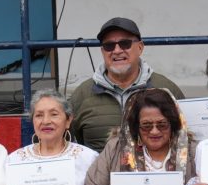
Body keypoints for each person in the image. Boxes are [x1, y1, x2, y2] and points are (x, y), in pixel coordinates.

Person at [70, 17, 185, 152]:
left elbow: (184, 137)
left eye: (125, 44)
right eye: (109, 46)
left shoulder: (166, 89)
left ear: (140, 47)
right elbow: (70, 145)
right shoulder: (82, 95)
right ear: (102, 51)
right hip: (100, 166)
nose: (117, 50)